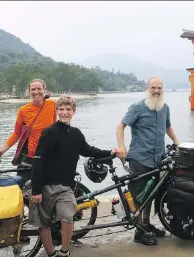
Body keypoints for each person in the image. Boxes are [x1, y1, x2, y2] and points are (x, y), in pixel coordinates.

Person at [29, 96, 119, 257]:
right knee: (44, 223)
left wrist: (110, 153)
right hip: (45, 187)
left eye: (68, 109)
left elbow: (89, 150)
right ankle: (51, 253)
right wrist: (36, 189)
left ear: (73, 112)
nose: (64, 112)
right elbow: (38, 161)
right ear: (57, 111)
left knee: (68, 217)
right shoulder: (49, 132)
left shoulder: (76, 133)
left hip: (65, 187)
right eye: (61, 109)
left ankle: (64, 251)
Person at [116, 76, 180, 245]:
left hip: (158, 159)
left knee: (151, 193)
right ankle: (139, 232)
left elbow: (168, 127)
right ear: (147, 89)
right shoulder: (137, 107)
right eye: (153, 88)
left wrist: (178, 143)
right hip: (139, 158)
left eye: (159, 88)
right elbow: (121, 126)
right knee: (139, 196)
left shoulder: (164, 108)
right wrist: (122, 146)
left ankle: (146, 225)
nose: (157, 91)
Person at [0, 79, 57, 187]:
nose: (36, 92)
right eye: (33, 89)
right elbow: (17, 133)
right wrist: (2, 150)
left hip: (49, 157)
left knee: (48, 190)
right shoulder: (23, 110)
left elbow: (60, 124)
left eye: (39, 89)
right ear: (29, 91)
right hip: (29, 158)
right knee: (23, 189)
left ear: (44, 90)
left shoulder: (53, 105)